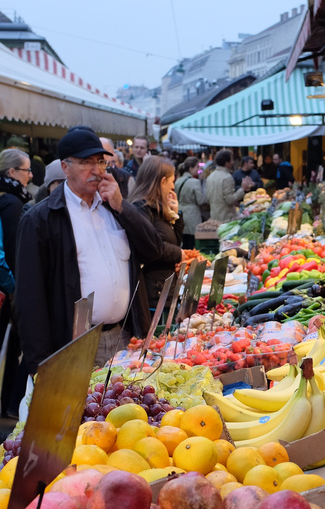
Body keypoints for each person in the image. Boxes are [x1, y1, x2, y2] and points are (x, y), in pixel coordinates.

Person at [14, 127, 167, 372]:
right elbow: (30, 300)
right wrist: (40, 366)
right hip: (76, 346)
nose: (96, 171)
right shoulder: (40, 220)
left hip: (126, 338)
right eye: (86, 163)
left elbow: (153, 250)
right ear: (65, 168)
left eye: (100, 162)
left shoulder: (113, 207)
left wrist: (122, 207)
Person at [132, 157, 184, 310]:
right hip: (152, 292)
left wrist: (176, 215)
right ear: (162, 182)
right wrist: (178, 254)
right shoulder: (141, 208)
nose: (173, 187)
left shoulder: (159, 208)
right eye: (172, 181)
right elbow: (150, 247)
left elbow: (175, 241)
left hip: (164, 288)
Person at [175, 157, 207, 247]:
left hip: (180, 212)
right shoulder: (195, 182)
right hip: (192, 213)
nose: (198, 170)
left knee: (184, 239)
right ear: (191, 168)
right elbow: (200, 201)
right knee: (192, 241)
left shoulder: (178, 181)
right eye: (197, 167)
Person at [206, 148, 242, 222]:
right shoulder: (227, 177)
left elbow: (208, 198)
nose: (233, 162)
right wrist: (243, 189)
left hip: (214, 216)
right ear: (226, 162)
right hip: (226, 218)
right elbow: (230, 200)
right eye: (231, 160)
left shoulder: (211, 176)